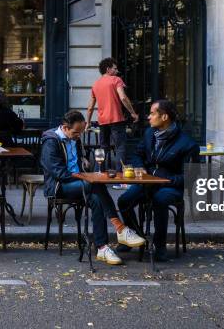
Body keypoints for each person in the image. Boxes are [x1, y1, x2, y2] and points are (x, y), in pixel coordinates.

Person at [40, 110, 145, 265]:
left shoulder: (74, 139)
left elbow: (77, 162)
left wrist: (84, 163)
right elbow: (58, 172)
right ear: (64, 127)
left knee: (96, 198)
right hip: (59, 186)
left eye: (81, 132)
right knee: (95, 184)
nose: (78, 136)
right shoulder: (51, 142)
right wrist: (86, 177)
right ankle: (120, 228)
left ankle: (102, 247)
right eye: (76, 132)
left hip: (79, 183)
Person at [117, 100, 199, 261]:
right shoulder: (149, 134)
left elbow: (190, 179)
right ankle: (136, 237)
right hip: (147, 183)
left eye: (152, 113)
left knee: (159, 200)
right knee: (124, 201)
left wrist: (163, 179)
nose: (148, 117)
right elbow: (137, 154)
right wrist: (139, 167)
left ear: (165, 117)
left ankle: (159, 246)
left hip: (170, 187)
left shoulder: (188, 144)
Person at [86, 58, 139, 174]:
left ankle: (99, 174)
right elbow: (123, 97)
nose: (117, 71)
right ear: (108, 69)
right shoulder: (116, 80)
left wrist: (88, 122)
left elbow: (90, 107)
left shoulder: (96, 84)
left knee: (103, 148)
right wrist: (133, 113)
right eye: (115, 68)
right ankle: (120, 177)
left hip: (102, 121)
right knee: (120, 148)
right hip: (116, 119)